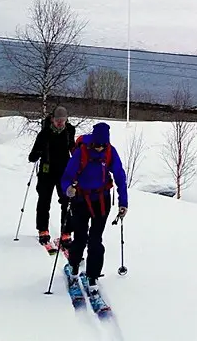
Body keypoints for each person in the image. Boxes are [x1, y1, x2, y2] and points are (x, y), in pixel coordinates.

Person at [61, 122, 128, 294]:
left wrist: (123, 202)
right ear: (93, 141)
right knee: (81, 237)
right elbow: (67, 176)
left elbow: (120, 176)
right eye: (97, 145)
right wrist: (68, 188)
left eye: (103, 145)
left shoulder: (109, 152)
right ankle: (74, 265)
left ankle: (93, 276)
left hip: (102, 201)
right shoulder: (81, 151)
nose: (99, 148)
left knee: (96, 240)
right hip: (81, 200)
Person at [28, 105, 76, 247]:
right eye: (58, 120)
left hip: (64, 172)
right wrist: (37, 153)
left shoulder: (69, 131)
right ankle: (43, 230)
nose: (60, 122)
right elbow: (32, 156)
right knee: (44, 201)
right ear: (52, 119)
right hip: (46, 172)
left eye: (63, 120)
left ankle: (66, 232)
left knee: (67, 202)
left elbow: (72, 148)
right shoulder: (44, 133)